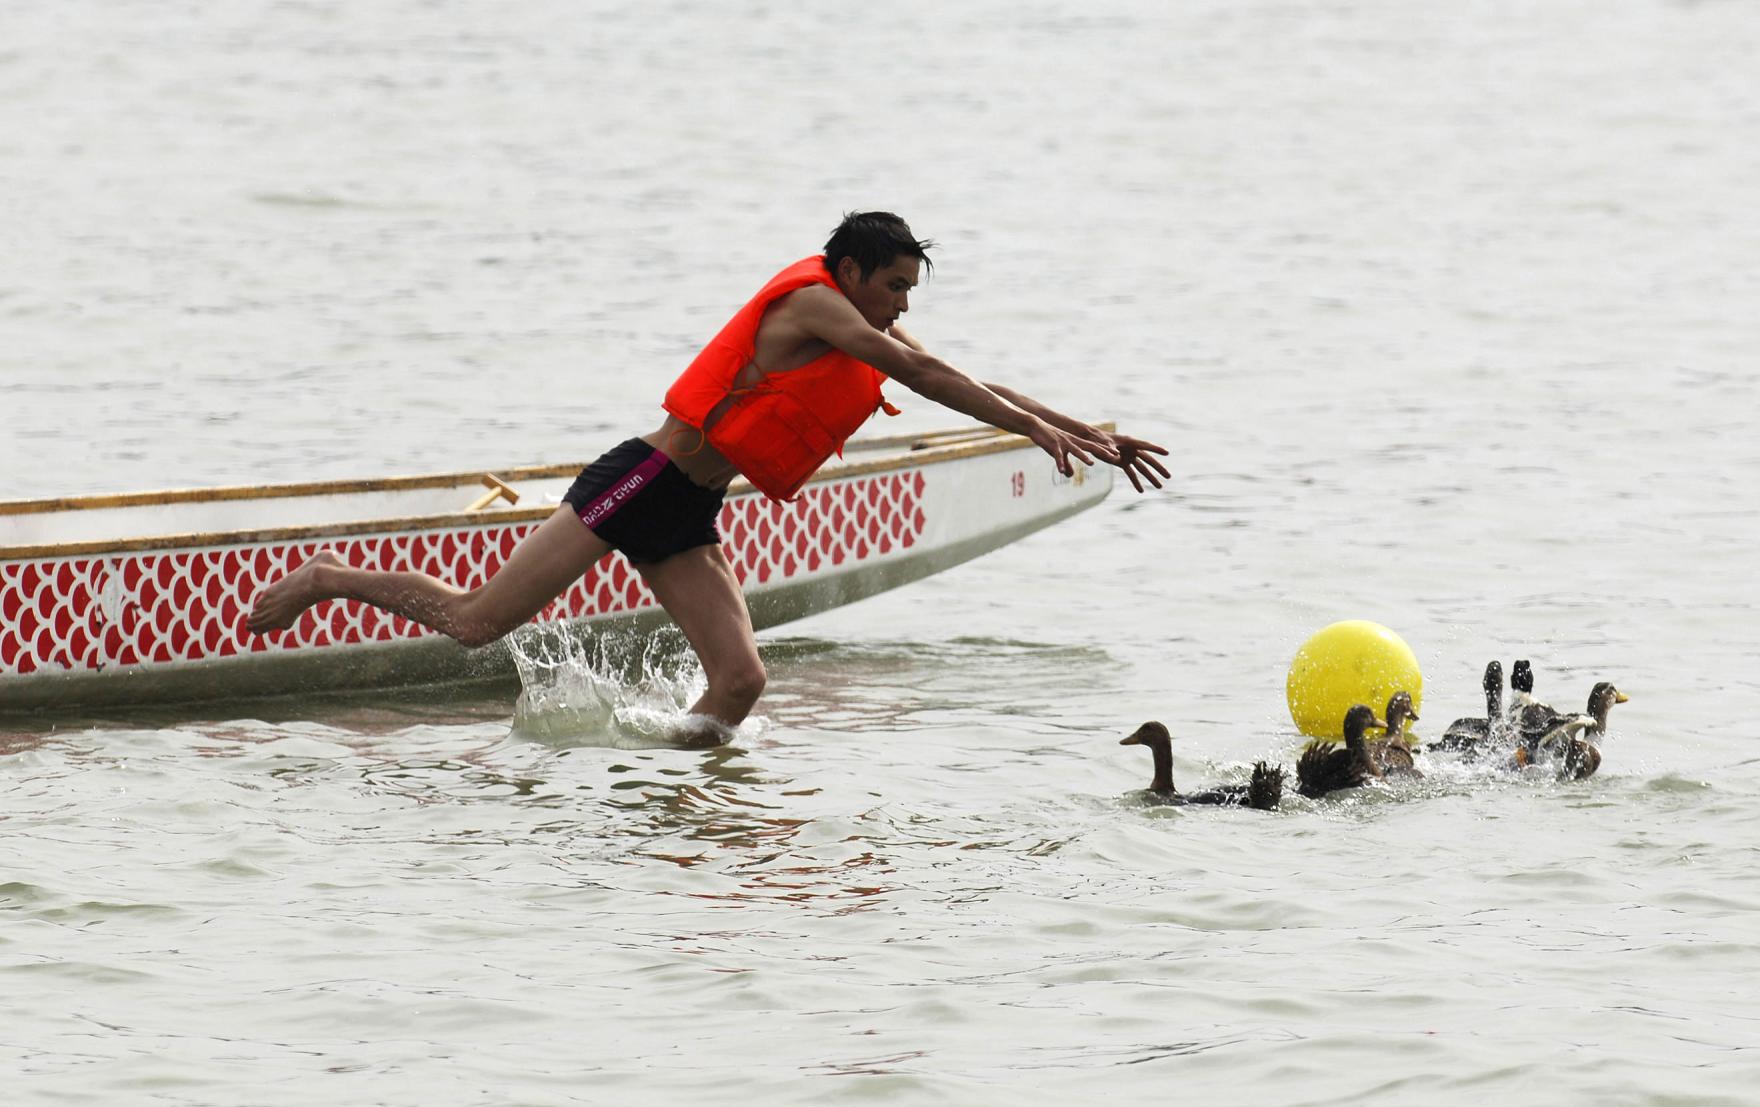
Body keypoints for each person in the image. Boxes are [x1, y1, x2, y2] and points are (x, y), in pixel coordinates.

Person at [246, 211, 1171, 741]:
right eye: (892, 287)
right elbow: (930, 379)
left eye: (907, 295)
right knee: (474, 622)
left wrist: (1075, 428)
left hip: (688, 507)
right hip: (641, 480)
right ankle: (325, 580)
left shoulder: (859, 320)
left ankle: (677, 797)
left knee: (741, 683)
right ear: (849, 271)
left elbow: (966, 374)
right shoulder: (815, 304)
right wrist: (1032, 431)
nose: (899, 307)